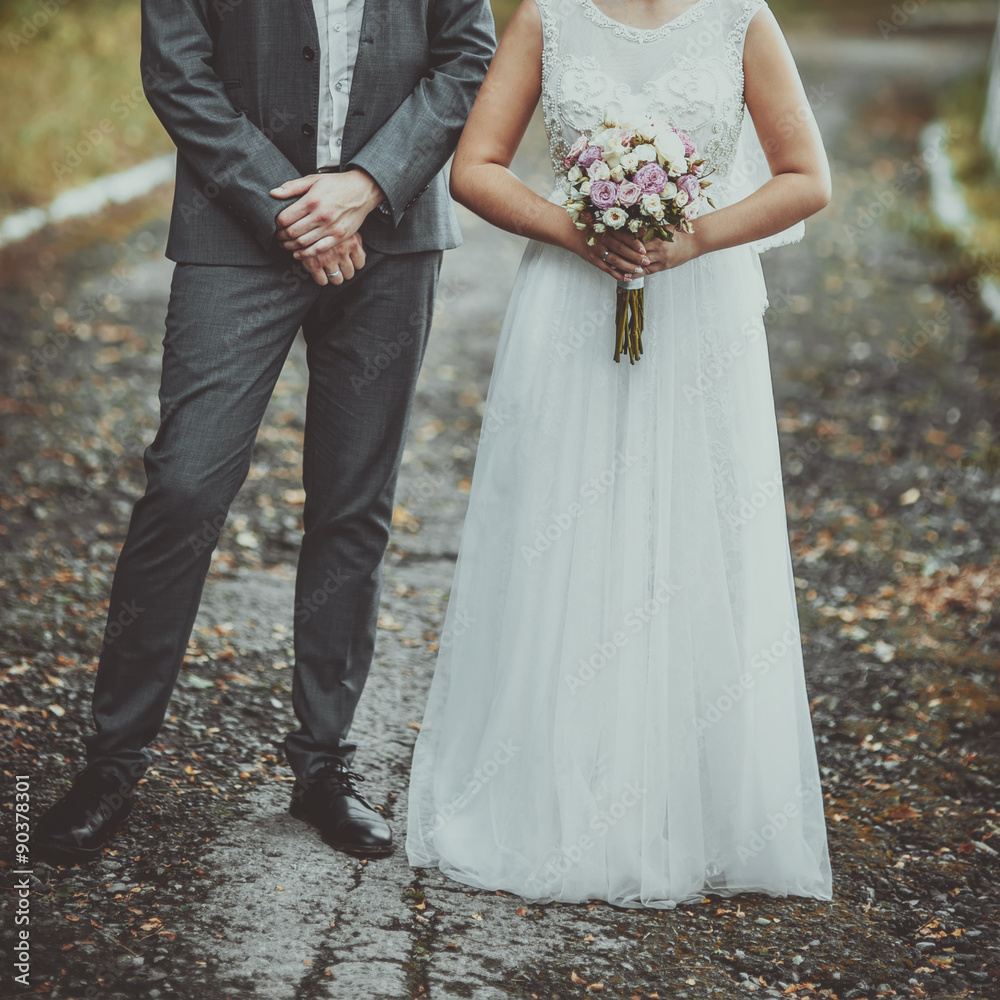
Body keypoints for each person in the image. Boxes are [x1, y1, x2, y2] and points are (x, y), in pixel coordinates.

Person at [33, 0, 496, 862]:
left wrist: (367, 183)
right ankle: (111, 764)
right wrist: (289, 209)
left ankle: (325, 765)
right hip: (233, 232)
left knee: (354, 503)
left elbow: (466, 56)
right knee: (183, 486)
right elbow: (178, 70)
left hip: (391, 235)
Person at [406, 0, 835, 908]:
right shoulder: (547, 17)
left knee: (692, 529)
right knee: (564, 533)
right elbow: (474, 169)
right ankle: (554, 786)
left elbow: (807, 178)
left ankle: (703, 803)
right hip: (567, 304)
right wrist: (580, 230)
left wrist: (692, 238)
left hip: (702, 313)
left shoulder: (738, 19)